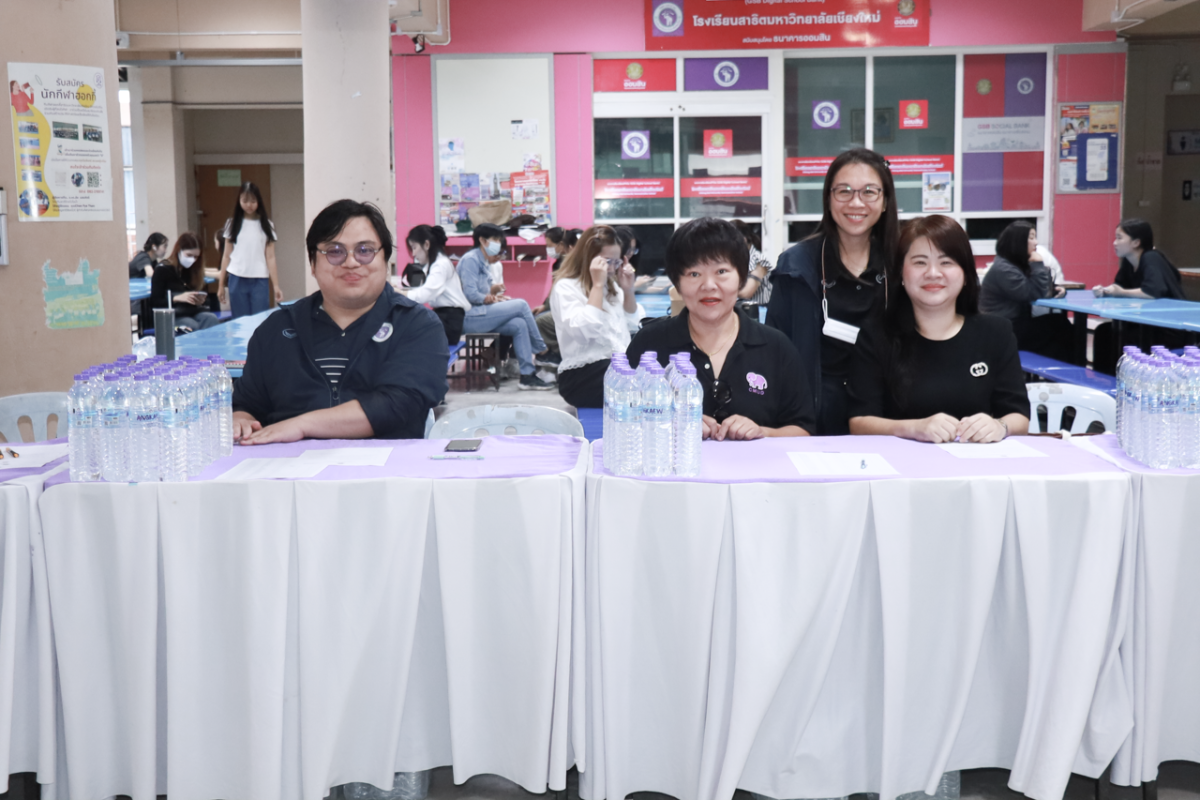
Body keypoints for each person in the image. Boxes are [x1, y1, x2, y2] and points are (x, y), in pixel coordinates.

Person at [232, 200, 448, 443]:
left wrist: (302, 425)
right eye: (335, 251)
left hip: (388, 463)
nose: (351, 262)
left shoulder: (416, 325)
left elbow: (398, 404)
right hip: (286, 464)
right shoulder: (277, 329)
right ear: (313, 264)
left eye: (365, 250)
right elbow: (247, 404)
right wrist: (241, 419)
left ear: (386, 261)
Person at [847, 215, 1030, 443]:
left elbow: (1019, 416)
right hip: (902, 462)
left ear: (965, 274)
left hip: (976, 461)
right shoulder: (876, 336)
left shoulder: (996, 333)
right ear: (901, 273)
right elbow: (859, 422)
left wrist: (999, 426)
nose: (933, 273)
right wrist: (915, 428)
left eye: (946, 262)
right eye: (920, 262)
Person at [628, 218, 815, 440]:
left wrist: (762, 432)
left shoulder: (776, 347)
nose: (709, 285)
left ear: (741, 278)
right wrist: (668, 425)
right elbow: (622, 422)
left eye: (721, 271)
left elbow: (803, 430)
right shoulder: (649, 346)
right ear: (677, 283)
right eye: (694, 274)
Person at [766, 148, 898, 435]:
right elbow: (775, 349)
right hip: (814, 417)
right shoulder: (797, 266)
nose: (856, 202)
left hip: (889, 417)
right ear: (828, 198)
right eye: (844, 191)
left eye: (869, 192)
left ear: (885, 201)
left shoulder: (903, 262)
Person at [550, 226, 645, 408]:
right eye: (606, 262)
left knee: (653, 368)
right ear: (587, 258)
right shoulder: (566, 287)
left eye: (616, 262)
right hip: (582, 376)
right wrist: (597, 286)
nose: (611, 268)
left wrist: (628, 291)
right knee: (639, 383)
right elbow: (585, 332)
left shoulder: (612, 287)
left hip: (614, 368)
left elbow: (633, 325)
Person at [457, 222, 554, 390]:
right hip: (469, 316)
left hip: (480, 312)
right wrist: (490, 299)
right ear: (483, 240)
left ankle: (527, 376)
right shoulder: (470, 260)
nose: (498, 244)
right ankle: (542, 351)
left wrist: (494, 296)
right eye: (495, 240)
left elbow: (481, 292)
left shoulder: (483, 261)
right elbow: (470, 294)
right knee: (521, 305)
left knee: (519, 324)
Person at [1091, 218, 1188, 373]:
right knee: (1105, 331)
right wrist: (1106, 290)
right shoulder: (1128, 261)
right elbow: (1119, 285)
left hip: (1168, 328)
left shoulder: (1151, 258)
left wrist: (1120, 293)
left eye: (1119, 238)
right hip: (1146, 323)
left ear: (1136, 242)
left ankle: (1124, 378)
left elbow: (1152, 292)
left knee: (1122, 337)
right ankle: (1105, 379)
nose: (1114, 243)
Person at [980, 221, 1073, 362]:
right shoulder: (1004, 269)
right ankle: (1072, 369)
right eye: (1031, 237)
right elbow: (1031, 294)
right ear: (1018, 241)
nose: (1036, 242)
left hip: (1012, 324)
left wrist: (1053, 291)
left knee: (1060, 327)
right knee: (1060, 327)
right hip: (1002, 330)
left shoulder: (1012, 265)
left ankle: (1066, 370)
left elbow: (1034, 288)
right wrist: (1037, 264)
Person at [217, 182, 283, 318]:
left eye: (253, 201)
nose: (249, 205)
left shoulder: (267, 225)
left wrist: (276, 285)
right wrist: (221, 285)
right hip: (236, 277)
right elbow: (226, 256)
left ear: (259, 201)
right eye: (245, 201)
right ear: (239, 201)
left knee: (260, 320)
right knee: (240, 321)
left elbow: (270, 257)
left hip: (260, 279)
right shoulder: (232, 224)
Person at [401, 224, 470, 345]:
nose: (413, 253)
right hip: (445, 317)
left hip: (450, 321)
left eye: (414, 247)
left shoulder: (440, 265)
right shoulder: (435, 264)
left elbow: (424, 295)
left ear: (426, 245)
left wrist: (399, 292)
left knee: (406, 328)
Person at [150, 232, 220, 331]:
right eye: (189, 255)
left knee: (211, 319)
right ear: (179, 250)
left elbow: (205, 298)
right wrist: (176, 298)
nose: (193, 260)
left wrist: (200, 300)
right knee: (191, 325)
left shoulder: (194, 270)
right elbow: (155, 301)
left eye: (196, 257)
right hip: (173, 314)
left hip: (192, 311)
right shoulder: (162, 269)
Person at [532, 227, 582, 364]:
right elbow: (555, 289)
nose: (548, 249)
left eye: (549, 245)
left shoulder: (572, 264)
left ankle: (553, 354)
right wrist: (545, 305)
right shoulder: (560, 263)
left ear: (562, 245)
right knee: (533, 318)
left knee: (539, 322)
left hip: (574, 308)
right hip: (564, 306)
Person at [732, 220, 774, 306]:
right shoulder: (736, 261)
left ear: (744, 240)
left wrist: (723, 291)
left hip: (759, 310)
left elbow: (747, 293)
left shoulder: (759, 261)